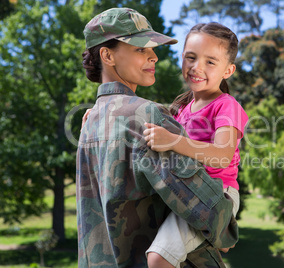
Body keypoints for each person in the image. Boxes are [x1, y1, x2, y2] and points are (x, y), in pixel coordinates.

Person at [76, 8, 238, 267]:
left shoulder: (90, 123)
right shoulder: (146, 115)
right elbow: (204, 206)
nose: (153, 56)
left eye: (152, 48)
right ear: (107, 55)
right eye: (140, 49)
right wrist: (226, 229)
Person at [143, 22, 248, 268]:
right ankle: (217, 235)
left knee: (158, 259)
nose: (196, 67)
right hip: (185, 189)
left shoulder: (226, 105)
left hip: (215, 193)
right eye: (190, 57)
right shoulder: (180, 108)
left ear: (228, 70)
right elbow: (143, 122)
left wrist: (173, 141)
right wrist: (103, 113)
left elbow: (223, 156)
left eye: (210, 62)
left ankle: (221, 226)